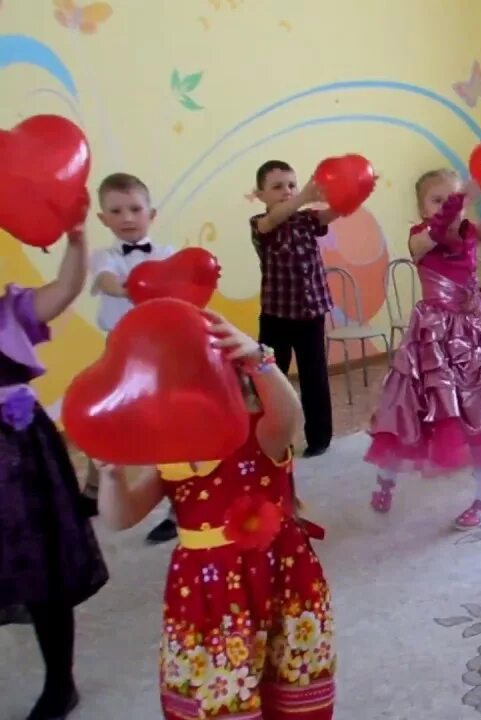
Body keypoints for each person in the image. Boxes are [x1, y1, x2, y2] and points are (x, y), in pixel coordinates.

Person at [98, 314, 335, 719]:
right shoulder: (172, 451)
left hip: (278, 573)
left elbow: (290, 414)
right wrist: (112, 478)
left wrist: (261, 360)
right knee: (219, 687)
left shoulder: (261, 430)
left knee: (289, 675)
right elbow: (121, 518)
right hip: (206, 593)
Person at [364, 169, 481, 528]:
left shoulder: (468, 231)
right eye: (438, 200)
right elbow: (436, 233)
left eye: (453, 198)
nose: (449, 206)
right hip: (434, 339)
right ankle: (386, 480)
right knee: (409, 412)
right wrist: (462, 197)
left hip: (474, 333)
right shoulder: (420, 237)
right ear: (421, 210)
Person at [0, 207, 110, 720]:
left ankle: (59, 681)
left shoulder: (9, 311)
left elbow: (65, 289)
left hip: (18, 456)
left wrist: (76, 238)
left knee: (40, 564)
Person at [85, 172, 182, 543]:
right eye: (116, 210)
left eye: (135, 209)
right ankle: (94, 492)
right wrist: (134, 288)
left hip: (160, 353)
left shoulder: (168, 255)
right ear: (102, 218)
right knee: (106, 418)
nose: (127, 217)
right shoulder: (104, 258)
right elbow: (108, 281)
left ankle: (179, 503)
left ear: (151, 214)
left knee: (169, 428)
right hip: (119, 351)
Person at [250, 160, 336, 458]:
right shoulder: (260, 223)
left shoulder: (307, 219)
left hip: (311, 315)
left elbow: (332, 212)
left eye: (291, 185)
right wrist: (303, 196)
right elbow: (274, 219)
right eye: (277, 187)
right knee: (271, 381)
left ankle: (320, 438)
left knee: (315, 378)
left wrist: (352, 192)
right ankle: (275, 436)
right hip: (276, 318)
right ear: (260, 195)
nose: (287, 192)